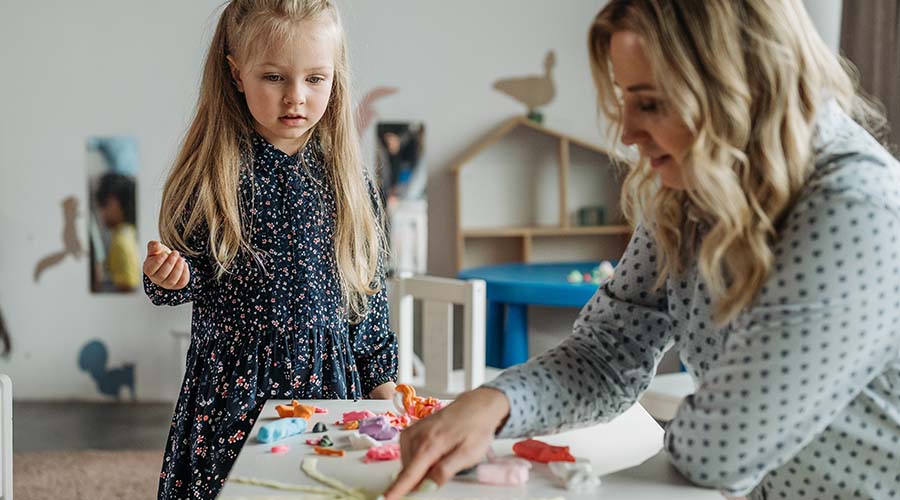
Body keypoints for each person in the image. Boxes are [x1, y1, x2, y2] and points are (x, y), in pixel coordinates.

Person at [386, 1, 900, 499]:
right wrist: (492, 403)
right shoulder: (689, 188)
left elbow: (720, 450)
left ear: (740, 90)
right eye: (624, 98)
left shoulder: (854, 207)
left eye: (651, 103)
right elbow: (607, 354)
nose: (628, 133)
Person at [141, 1, 398, 497]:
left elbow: (367, 298)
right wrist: (168, 277)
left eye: (315, 79)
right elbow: (186, 276)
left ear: (336, 77)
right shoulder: (212, 175)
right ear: (237, 74)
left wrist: (383, 383)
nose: (295, 97)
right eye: (275, 78)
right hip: (235, 395)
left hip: (329, 392)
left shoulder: (348, 181)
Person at [95, 173, 139, 291]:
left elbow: (127, 288)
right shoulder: (130, 233)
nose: (101, 210)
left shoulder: (121, 242)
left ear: (115, 202)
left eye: (104, 203)